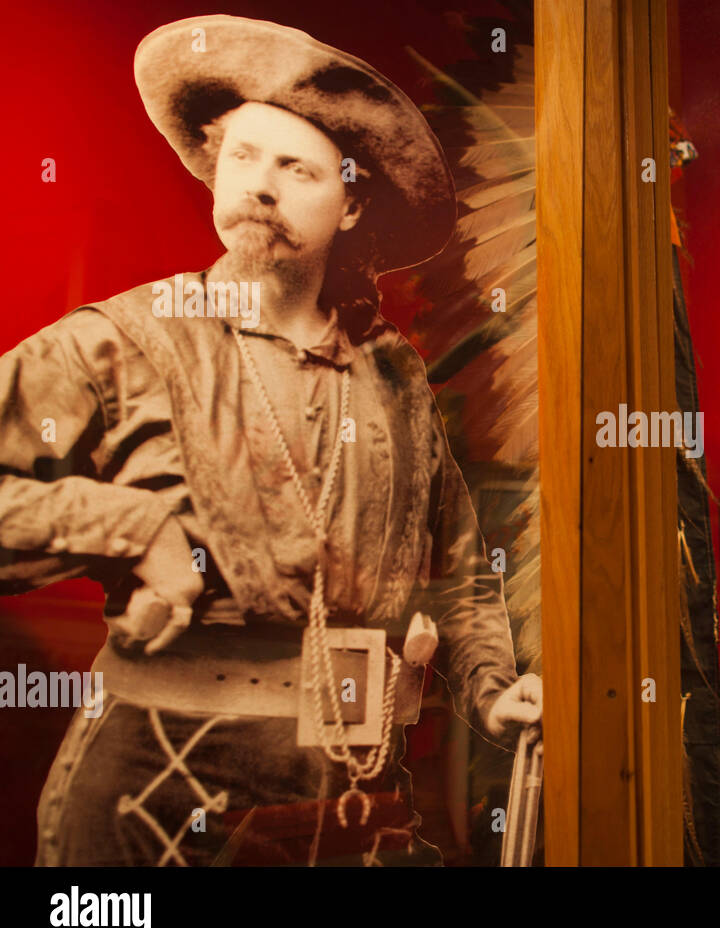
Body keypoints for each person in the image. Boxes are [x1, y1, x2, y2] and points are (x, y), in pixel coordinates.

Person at [1, 15, 540, 866]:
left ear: (352, 201)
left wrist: (492, 688)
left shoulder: (393, 373)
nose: (260, 186)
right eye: (244, 157)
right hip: (155, 793)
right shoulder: (120, 342)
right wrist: (131, 527)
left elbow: (462, 570)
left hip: (354, 791)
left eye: (297, 168)